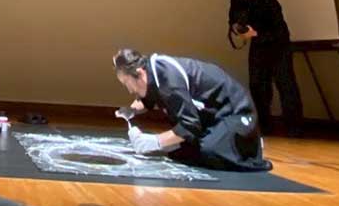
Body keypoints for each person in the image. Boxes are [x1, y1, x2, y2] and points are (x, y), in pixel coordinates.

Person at [113, 46, 271, 172]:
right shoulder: (152, 71)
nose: (130, 90)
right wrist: (131, 110)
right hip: (211, 116)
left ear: (139, 73)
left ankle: (246, 145)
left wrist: (155, 141)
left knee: (208, 152)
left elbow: (190, 126)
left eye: (127, 83)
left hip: (236, 112)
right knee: (183, 153)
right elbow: (148, 98)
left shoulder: (169, 80)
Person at [228, 0, 303, 135]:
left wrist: (257, 34)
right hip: (258, 46)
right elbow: (233, 20)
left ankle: (295, 128)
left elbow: (280, 30)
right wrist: (238, 30)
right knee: (257, 86)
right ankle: (264, 126)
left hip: (279, 46)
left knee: (286, 86)